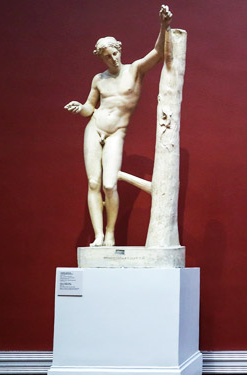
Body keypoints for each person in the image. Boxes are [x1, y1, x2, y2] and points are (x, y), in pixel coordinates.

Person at [64, 5, 173, 246]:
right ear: (101, 58)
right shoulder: (99, 79)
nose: (113, 59)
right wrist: (80, 108)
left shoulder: (134, 70)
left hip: (116, 133)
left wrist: (164, 26)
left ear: (119, 50)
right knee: (93, 183)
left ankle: (110, 232)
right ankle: (99, 236)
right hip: (95, 127)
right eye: (107, 56)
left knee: (109, 184)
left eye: (114, 53)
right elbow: (89, 107)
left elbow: (158, 52)